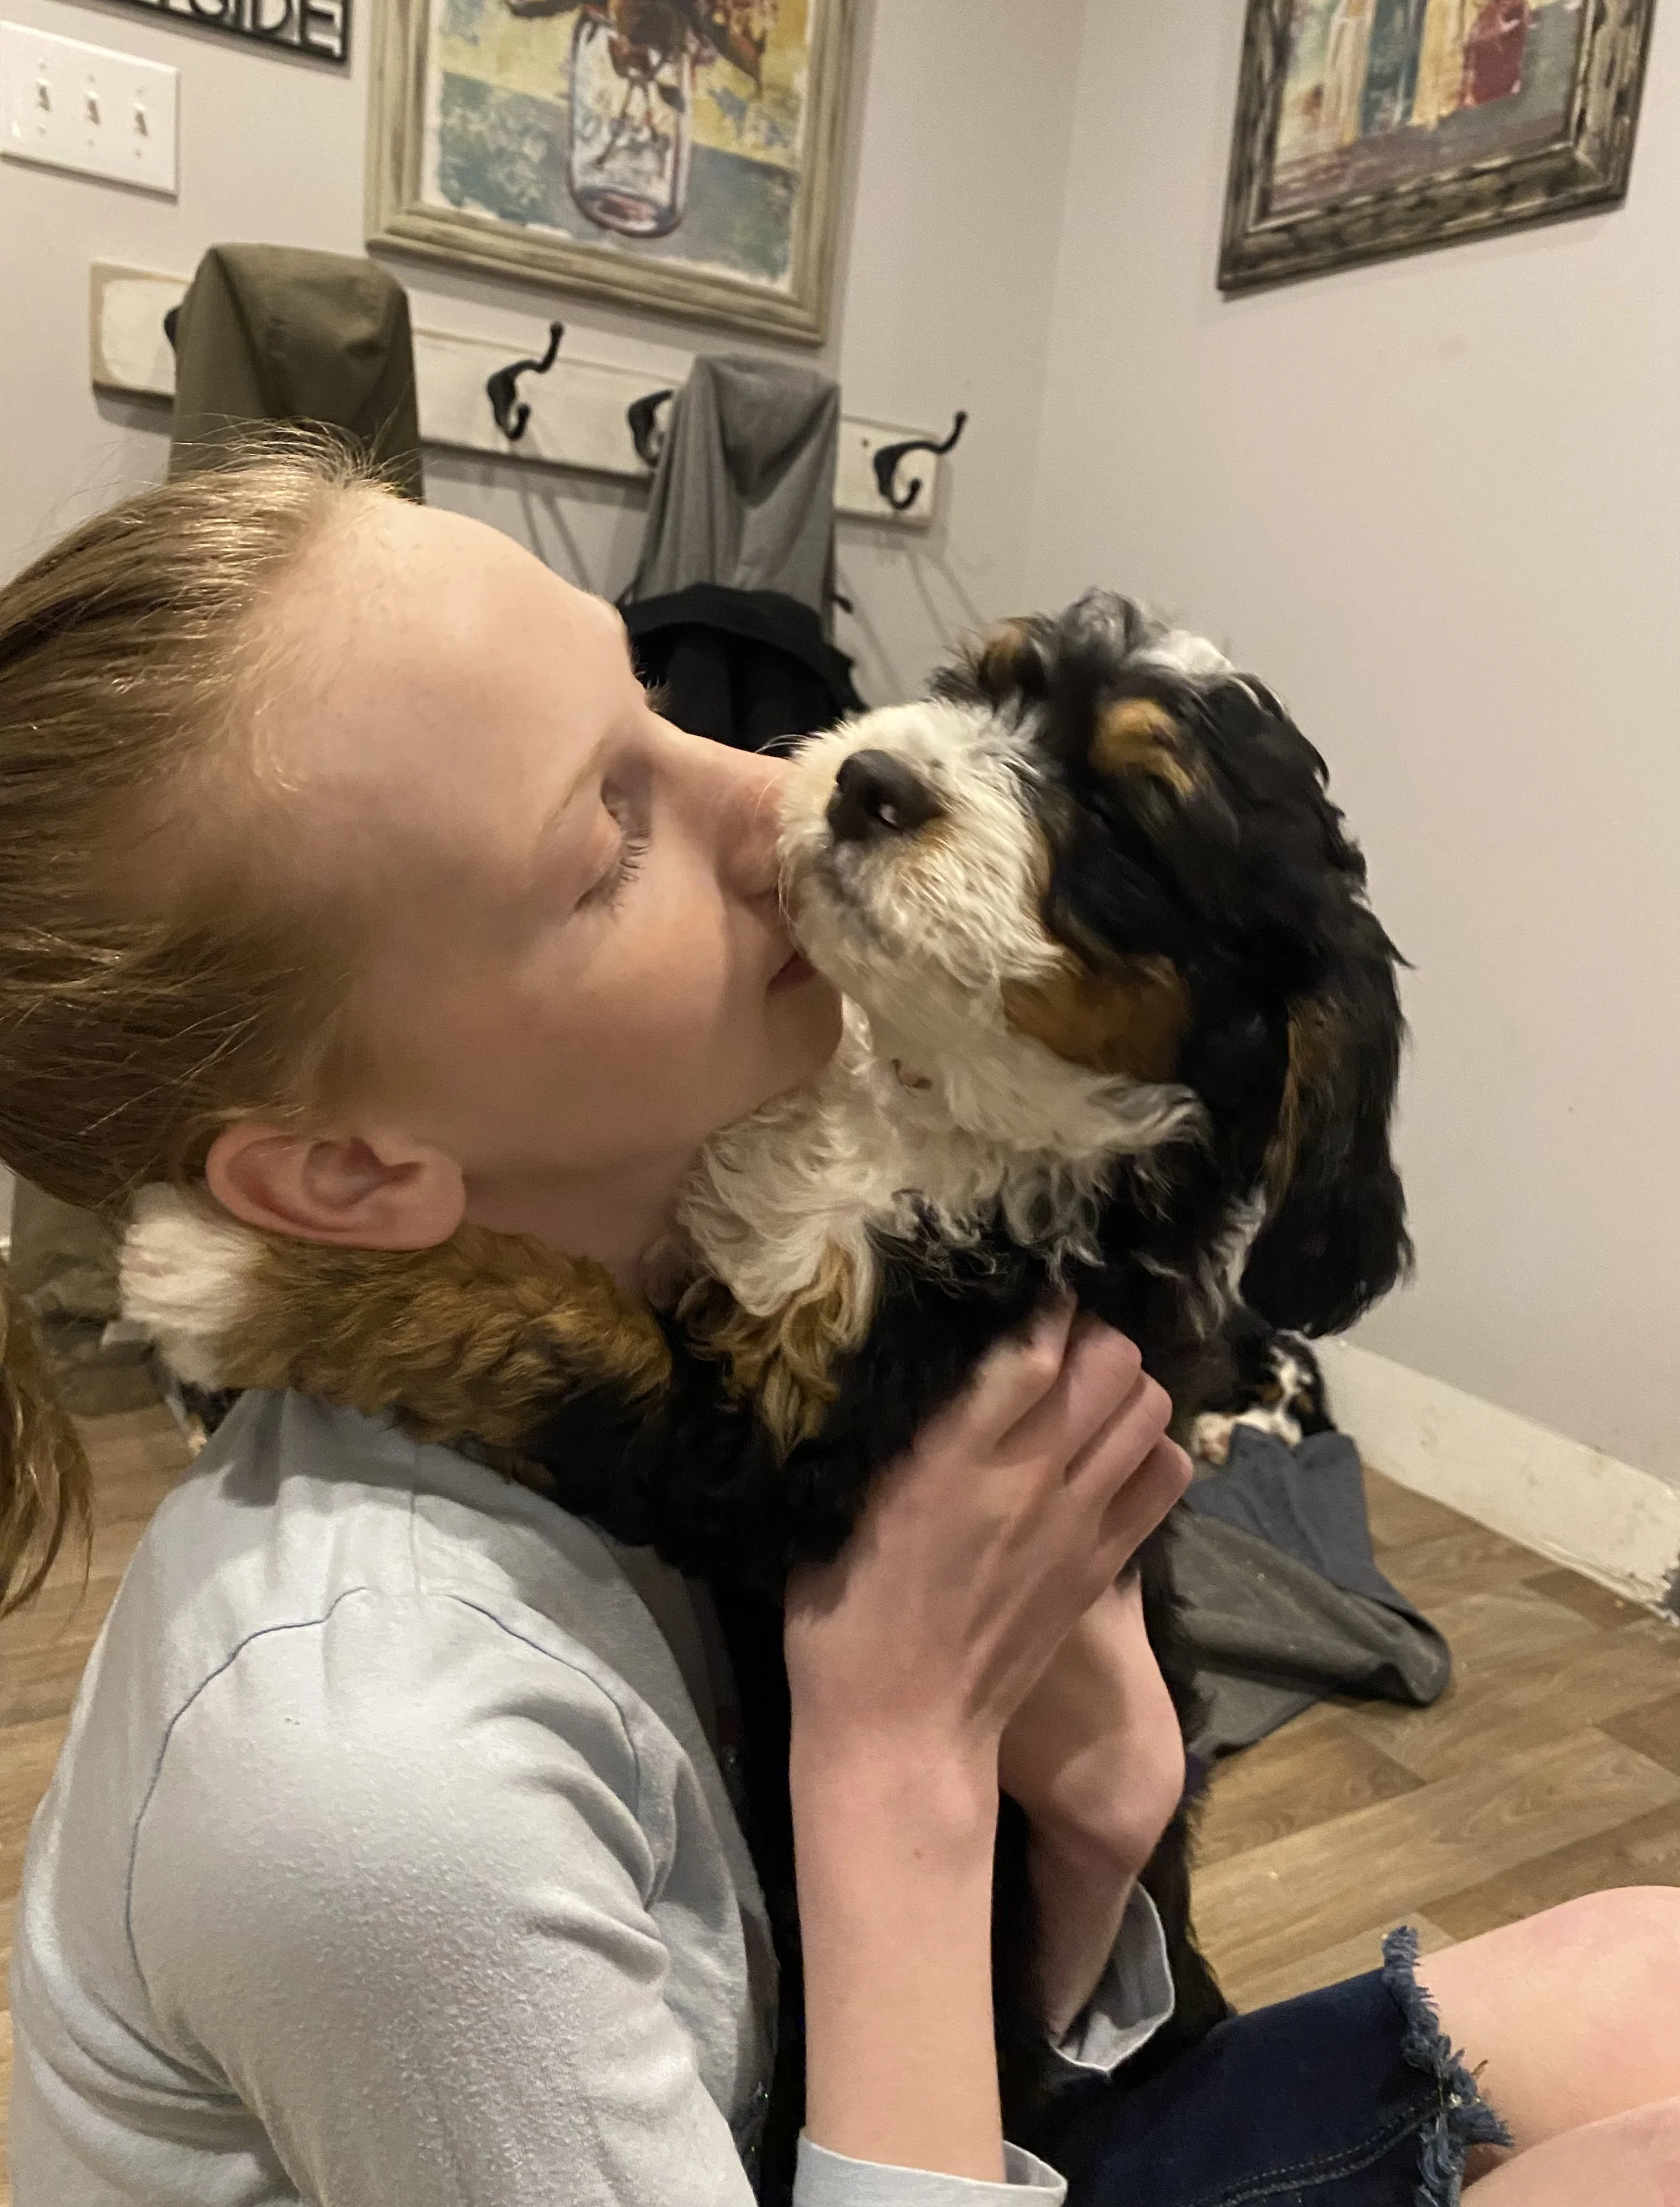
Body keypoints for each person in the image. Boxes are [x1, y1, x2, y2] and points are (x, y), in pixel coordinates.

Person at [1, 434, 1677, 2207]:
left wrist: (1099, 1820)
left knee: (1648, 1975)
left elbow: (1012, 1984)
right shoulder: (376, 1792)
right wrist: (905, 1750)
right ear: (346, 1175)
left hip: (916, 2086)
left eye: (652, 699)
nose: (773, 780)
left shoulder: (707, 1199)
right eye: (599, 844)